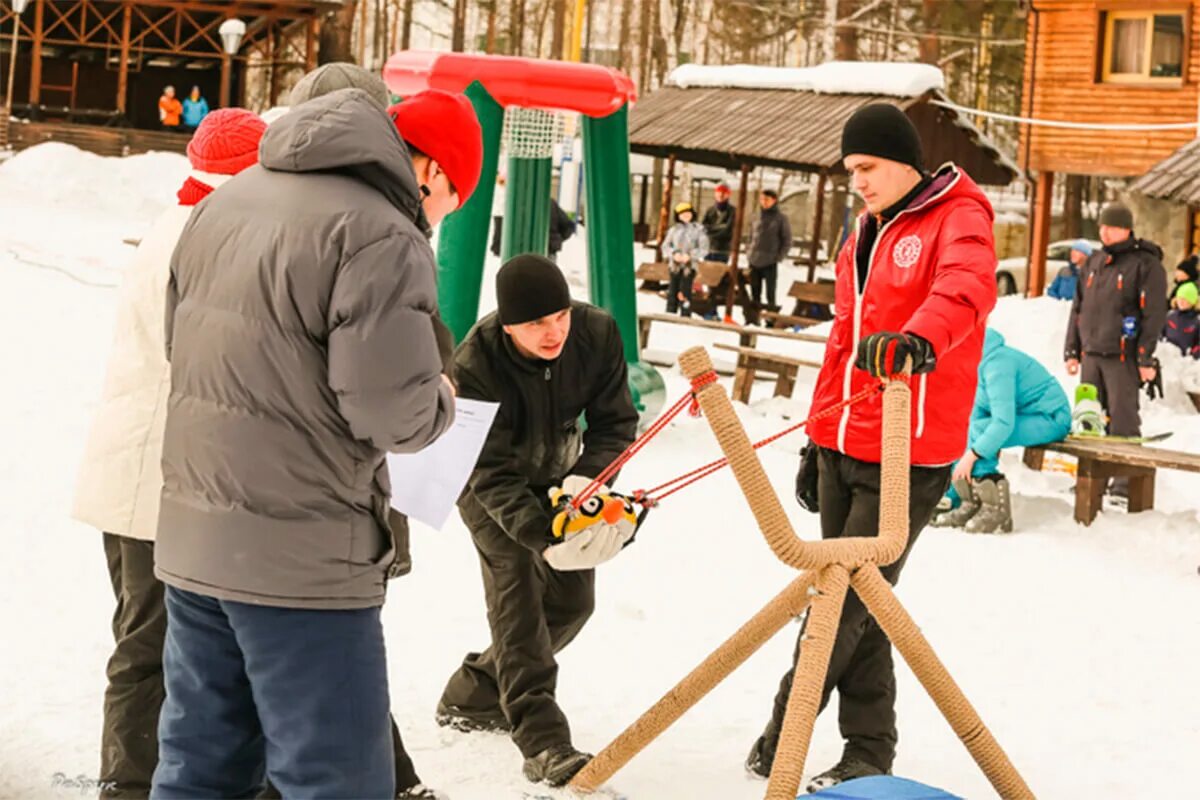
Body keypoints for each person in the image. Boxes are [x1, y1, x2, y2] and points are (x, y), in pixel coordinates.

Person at [150, 87, 482, 800]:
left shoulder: (226, 203)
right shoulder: (381, 235)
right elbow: (394, 415)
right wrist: (444, 399)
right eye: (450, 198)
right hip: (303, 563)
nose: (438, 216)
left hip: (194, 540)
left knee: (199, 768)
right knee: (335, 778)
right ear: (429, 170)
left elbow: (181, 346)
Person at [747, 103, 997, 791]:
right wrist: (815, 434)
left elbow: (966, 288)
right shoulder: (864, 230)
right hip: (844, 436)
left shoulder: (959, 215)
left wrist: (919, 340)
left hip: (909, 443)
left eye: (867, 167)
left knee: (846, 606)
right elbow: (842, 340)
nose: (856, 181)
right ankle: (869, 747)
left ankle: (785, 727)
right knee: (863, 600)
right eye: (850, 170)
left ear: (903, 160)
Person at [70, 109, 267, 800]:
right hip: (155, 475)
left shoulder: (178, 221)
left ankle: (139, 776)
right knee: (150, 640)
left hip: (134, 470)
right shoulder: (206, 237)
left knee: (148, 633)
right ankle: (127, 782)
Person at [280, 62, 452, 800]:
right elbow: (388, 400)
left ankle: (394, 775)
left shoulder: (264, 204)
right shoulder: (373, 225)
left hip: (261, 496)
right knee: (326, 667)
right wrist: (437, 398)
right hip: (318, 502)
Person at [436, 254, 639, 788]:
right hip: (488, 488)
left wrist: (587, 484)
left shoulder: (595, 333)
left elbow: (617, 423)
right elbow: (490, 470)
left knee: (574, 601)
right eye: (535, 324)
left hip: (562, 481)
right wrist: (540, 535)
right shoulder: (476, 363)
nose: (553, 333)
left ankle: (474, 692)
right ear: (507, 327)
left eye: (559, 317)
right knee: (519, 595)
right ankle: (543, 741)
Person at [931, 329, 1071, 533]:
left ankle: (995, 509)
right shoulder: (978, 367)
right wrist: (951, 494)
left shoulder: (997, 365)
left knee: (982, 431)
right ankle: (965, 499)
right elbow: (973, 420)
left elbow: (1003, 422)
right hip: (1026, 415)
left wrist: (972, 456)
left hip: (1051, 417)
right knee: (969, 427)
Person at [1064, 202, 1167, 457]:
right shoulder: (1094, 263)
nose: (1105, 233)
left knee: (1122, 419)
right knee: (1088, 419)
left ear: (1127, 229)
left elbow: (1153, 314)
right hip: (1091, 355)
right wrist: (1071, 350)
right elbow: (1078, 308)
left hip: (1123, 356)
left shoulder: (1145, 264)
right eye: (1102, 227)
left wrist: (1145, 356)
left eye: (1112, 227)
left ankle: (1122, 483)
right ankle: (1091, 480)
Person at [747, 188, 792, 316]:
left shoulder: (781, 218)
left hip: (770, 261)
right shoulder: (756, 216)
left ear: (774, 201)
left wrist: (779, 257)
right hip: (754, 260)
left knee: (770, 293)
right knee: (755, 291)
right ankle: (753, 317)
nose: (764, 202)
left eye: (767, 199)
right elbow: (751, 236)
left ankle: (770, 319)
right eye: (762, 199)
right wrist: (749, 252)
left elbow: (787, 240)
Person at [661, 201, 709, 317]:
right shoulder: (674, 230)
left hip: (689, 266)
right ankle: (670, 312)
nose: (685, 216)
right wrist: (673, 254)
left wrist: (691, 256)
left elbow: (704, 249)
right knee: (673, 289)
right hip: (675, 266)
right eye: (682, 214)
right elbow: (665, 246)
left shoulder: (699, 230)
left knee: (685, 289)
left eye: (688, 213)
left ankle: (685, 312)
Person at [1163, 281, 1200, 358]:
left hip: (1186, 362)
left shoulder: (1197, 321)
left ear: (1193, 302)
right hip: (1167, 358)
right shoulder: (1170, 315)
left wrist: (1193, 354)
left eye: (1186, 299)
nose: (1181, 302)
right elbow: (1160, 333)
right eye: (1180, 298)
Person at [702, 182, 735, 262]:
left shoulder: (733, 211)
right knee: (706, 272)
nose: (720, 195)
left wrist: (711, 229)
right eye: (718, 192)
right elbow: (703, 228)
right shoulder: (710, 210)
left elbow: (728, 230)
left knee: (719, 273)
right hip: (708, 249)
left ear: (728, 195)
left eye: (724, 192)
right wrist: (720, 226)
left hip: (722, 250)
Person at [548, 198, 577, 262]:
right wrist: (557, 239)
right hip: (550, 250)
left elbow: (568, 226)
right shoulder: (551, 203)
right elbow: (568, 226)